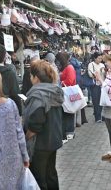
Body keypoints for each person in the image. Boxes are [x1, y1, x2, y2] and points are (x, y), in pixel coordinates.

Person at [24, 60, 64, 190]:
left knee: (40, 178)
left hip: (40, 143)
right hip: (53, 140)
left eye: (31, 76)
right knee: (50, 174)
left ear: (36, 78)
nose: (30, 78)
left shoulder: (38, 95)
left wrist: (26, 137)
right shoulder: (54, 91)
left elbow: (36, 124)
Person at [0, 44, 22, 115]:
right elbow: (15, 92)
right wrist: (19, 111)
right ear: (4, 58)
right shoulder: (10, 73)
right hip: (6, 108)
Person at [56, 52, 76, 142]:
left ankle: (69, 133)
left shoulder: (69, 68)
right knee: (66, 112)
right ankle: (67, 133)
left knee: (69, 112)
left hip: (68, 93)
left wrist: (60, 83)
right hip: (65, 93)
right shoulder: (66, 67)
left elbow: (70, 81)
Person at [88, 52, 105, 123]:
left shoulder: (102, 64)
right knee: (96, 101)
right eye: (99, 58)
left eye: (101, 58)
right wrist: (99, 72)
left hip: (102, 85)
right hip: (95, 85)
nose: (100, 60)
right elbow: (90, 74)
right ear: (95, 58)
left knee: (101, 100)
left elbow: (105, 74)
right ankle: (97, 117)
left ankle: (99, 114)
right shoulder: (91, 64)